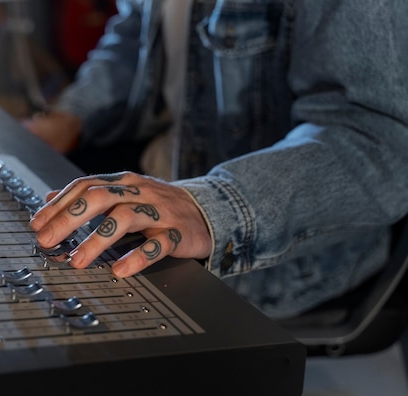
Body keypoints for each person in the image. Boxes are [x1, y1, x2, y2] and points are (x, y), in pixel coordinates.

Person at [24, 0, 408, 319]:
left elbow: (377, 140)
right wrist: (68, 116)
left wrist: (206, 207)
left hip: (265, 253)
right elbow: (135, 34)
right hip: (161, 183)